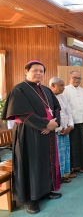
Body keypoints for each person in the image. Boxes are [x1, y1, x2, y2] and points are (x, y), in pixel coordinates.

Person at [2, 60, 61, 214]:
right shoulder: (19, 90)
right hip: (29, 134)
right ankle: (31, 199)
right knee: (32, 164)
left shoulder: (46, 90)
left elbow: (56, 108)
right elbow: (22, 113)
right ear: (26, 71)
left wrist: (55, 123)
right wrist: (45, 125)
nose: (38, 73)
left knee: (46, 162)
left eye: (41, 71)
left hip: (47, 133)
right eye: (35, 70)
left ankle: (45, 190)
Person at [63, 71, 83, 174]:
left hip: (82, 122)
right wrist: (68, 124)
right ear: (69, 78)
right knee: (72, 146)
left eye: (79, 78)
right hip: (71, 124)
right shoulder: (65, 90)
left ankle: (81, 166)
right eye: (74, 78)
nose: (76, 80)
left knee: (82, 145)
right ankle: (72, 167)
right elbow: (64, 109)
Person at [50, 77, 74, 183]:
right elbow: (49, 116)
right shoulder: (48, 98)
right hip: (55, 132)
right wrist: (59, 128)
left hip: (65, 130)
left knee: (65, 153)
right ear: (53, 85)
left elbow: (69, 113)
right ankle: (56, 176)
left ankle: (64, 173)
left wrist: (70, 126)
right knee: (57, 154)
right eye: (61, 85)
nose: (63, 88)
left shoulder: (63, 97)